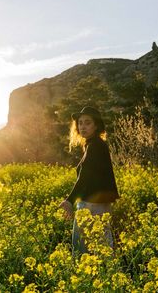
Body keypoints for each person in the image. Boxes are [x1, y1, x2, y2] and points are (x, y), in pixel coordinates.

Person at [59, 106, 120, 255]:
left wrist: (69, 200)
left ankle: (92, 276)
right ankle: (108, 274)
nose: (82, 126)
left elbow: (85, 175)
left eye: (87, 122)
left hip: (92, 204)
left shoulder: (96, 146)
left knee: (83, 249)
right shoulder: (94, 145)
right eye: (80, 123)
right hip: (99, 203)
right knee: (102, 246)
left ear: (96, 125)